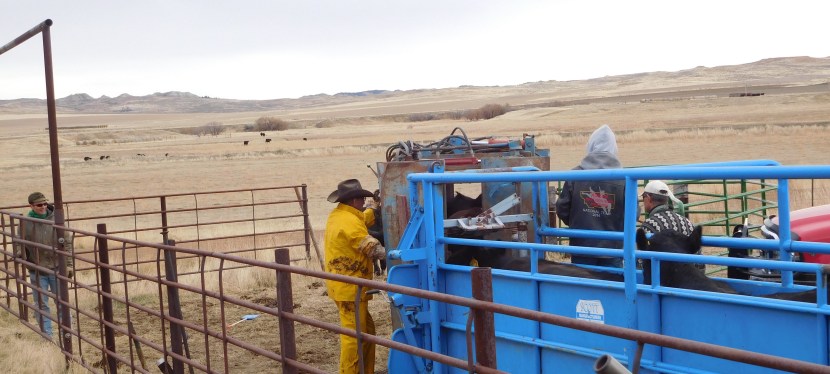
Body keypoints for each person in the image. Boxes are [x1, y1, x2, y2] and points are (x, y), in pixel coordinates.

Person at [324, 179, 385, 374]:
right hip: (350, 289)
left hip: (343, 286)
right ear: (353, 201)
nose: (364, 202)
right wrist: (395, 253)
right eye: (362, 200)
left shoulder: (339, 215)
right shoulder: (350, 223)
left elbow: (361, 218)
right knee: (353, 336)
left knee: (367, 331)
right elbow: (373, 249)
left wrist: (374, 208)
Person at [555, 125, 630, 268]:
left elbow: (562, 208)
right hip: (612, 249)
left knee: (585, 287)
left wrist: (577, 223)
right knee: (612, 287)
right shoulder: (625, 179)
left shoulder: (575, 175)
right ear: (614, 147)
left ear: (591, 145)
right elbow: (632, 214)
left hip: (582, 247)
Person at [15, 192, 74, 338]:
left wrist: (69, 264)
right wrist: (19, 252)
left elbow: (66, 243)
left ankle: (67, 333)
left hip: (56, 267)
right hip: (37, 268)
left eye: (45, 204)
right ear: (31, 206)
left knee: (62, 302)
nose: (43, 207)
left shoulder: (57, 220)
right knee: (41, 304)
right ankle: (47, 336)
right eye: (39, 205)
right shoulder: (25, 222)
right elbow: (19, 241)